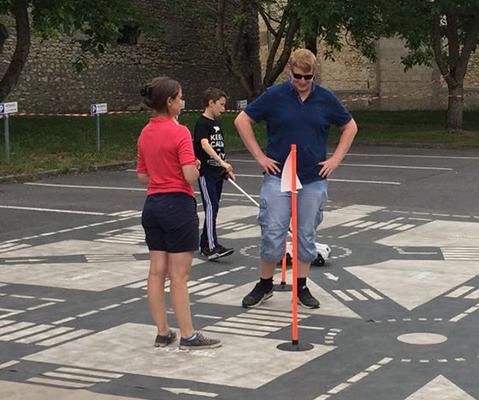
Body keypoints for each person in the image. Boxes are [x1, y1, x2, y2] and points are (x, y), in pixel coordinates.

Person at [234, 49, 358, 309]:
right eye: (298, 76)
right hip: (278, 176)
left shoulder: (325, 98)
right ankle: (264, 284)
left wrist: (335, 159)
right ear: (289, 71)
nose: (302, 82)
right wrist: (259, 157)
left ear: (314, 74)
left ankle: (301, 286)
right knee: (272, 231)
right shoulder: (274, 95)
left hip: (313, 178)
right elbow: (242, 120)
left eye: (308, 77)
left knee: (305, 234)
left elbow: (350, 126)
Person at [136, 77, 221, 349]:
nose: (182, 102)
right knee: (180, 277)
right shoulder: (181, 132)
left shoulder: (144, 133)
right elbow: (189, 175)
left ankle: (163, 332)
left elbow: (142, 177)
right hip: (178, 205)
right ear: (170, 102)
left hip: (153, 205)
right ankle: (188, 334)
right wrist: (195, 165)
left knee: (155, 273)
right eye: (180, 97)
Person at [194, 87, 236, 260]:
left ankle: (205, 243)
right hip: (206, 173)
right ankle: (212, 247)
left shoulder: (217, 124)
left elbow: (219, 148)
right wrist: (221, 162)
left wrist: (225, 169)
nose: (223, 109)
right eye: (221, 105)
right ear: (210, 103)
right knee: (211, 207)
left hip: (217, 173)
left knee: (215, 208)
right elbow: (205, 145)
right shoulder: (202, 123)